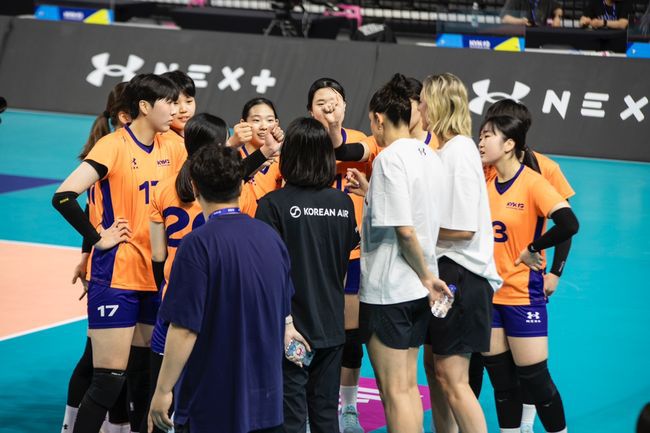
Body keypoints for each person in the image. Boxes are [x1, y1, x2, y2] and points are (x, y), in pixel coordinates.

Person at [52, 73, 185, 433]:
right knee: (109, 380)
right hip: (116, 276)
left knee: (143, 376)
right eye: (170, 102)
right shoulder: (113, 145)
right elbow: (63, 197)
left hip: (156, 276)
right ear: (145, 106)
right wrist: (97, 239)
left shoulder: (174, 145)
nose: (176, 110)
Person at [148, 145, 294, 433]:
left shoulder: (196, 244)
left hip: (212, 402)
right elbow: (283, 311)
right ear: (241, 186)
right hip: (267, 402)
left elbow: (184, 328)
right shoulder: (271, 238)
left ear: (194, 186)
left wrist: (163, 390)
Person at [349, 73, 450, 433]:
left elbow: (404, 230)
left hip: (390, 290)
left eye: (371, 121)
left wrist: (424, 275)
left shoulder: (389, 159)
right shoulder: (431, 157)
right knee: (407, 388)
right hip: (417, 293)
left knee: (394, 392)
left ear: (379, 118)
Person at [477, 99, 576, 433]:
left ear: (510, 142)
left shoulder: (537, 178)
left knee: (535, 379)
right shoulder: (483, 179)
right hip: (489, 295)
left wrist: (541, 255)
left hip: (522, 293)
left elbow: (568, 224)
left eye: (488, 134)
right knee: (502, 385)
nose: (481, 141)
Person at [256, 117, 359, 433]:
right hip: (331, 326)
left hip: (287, 329)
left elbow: (267, 276)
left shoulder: (272, 205)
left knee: (289, 419)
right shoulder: (343, 203)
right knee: (326, 416)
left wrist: (285, 323)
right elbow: (343, 264)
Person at [417, 73, 501, 433]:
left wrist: (415, 231)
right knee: (435, 369)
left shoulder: (461, 152)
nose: (419, 107)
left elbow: (464, 227)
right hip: (443, 272)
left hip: (462, 276)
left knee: (453, 378)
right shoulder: (443, 151)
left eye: (423, 101)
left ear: (437, 104)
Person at [306, 77, 376, 433]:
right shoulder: (301, 144)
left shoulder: (363, 142)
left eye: (334, 100)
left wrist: (334, 128)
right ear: (309, 111)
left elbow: (346, 154)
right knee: (309, 333)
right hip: (312, 256)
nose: (328, 107)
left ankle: (348, 408)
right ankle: (308, 407)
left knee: (350, 338)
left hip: (352, 255)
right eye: (320, 102)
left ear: (346, 106)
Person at [62, 82, 132, 433]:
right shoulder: (112, 150)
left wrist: (85, 253)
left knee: (110, 365)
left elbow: (94, 210)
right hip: (114, 269)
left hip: (114, 264)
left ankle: (113, 425)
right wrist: (92, 247)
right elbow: (87, 208)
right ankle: (72, 425)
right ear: (127, 114)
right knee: (99, 364)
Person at [235, 98, 284, 216]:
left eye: (269, 120)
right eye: (256, 120)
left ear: (276, 124)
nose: (263, 126)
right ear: (243, 123)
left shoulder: (282, 162)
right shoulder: (232, 157)